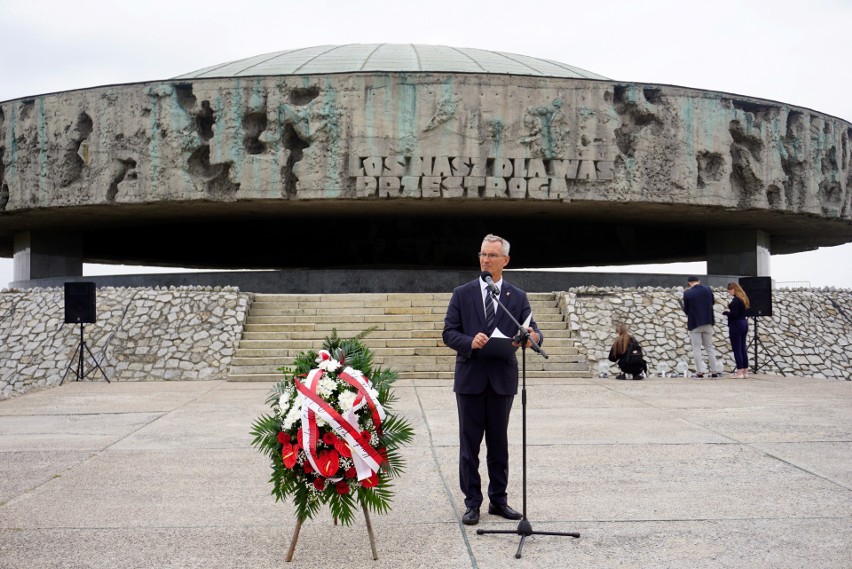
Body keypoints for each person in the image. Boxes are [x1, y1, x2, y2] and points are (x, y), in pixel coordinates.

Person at [442, 234, 541, 526]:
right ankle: (472, 503)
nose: (485, 260)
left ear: (505, 261)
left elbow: (533, 330)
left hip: (502, 380)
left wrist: (532, 338)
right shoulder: (463, 293)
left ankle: (499, 500)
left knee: (499, 444)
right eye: (483, 254)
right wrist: (469, 341)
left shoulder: (517, 297)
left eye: (492, 256)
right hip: (470, 379)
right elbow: (449, 332)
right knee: (469, 445)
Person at [682, 275, 721, 379]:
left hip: (695, 324)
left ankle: (699, 372)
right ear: (699, 281)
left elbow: (686, 311)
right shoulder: (708, 290)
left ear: (689, 283)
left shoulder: (687, 293)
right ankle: (714, 372)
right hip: (708, 322)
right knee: (709, 348)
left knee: (697, 348)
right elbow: (712, 302)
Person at [722, 282, 750, 378]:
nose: (729, 292)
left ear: (734, 289)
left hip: (736, 325)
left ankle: (739, 372)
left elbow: (734, 314)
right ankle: (745, 371)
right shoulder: (744, 299)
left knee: (737, 349)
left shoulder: (736, 300)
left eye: (729, 290)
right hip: (744, 323)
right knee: (743, 348)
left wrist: (726, 313)